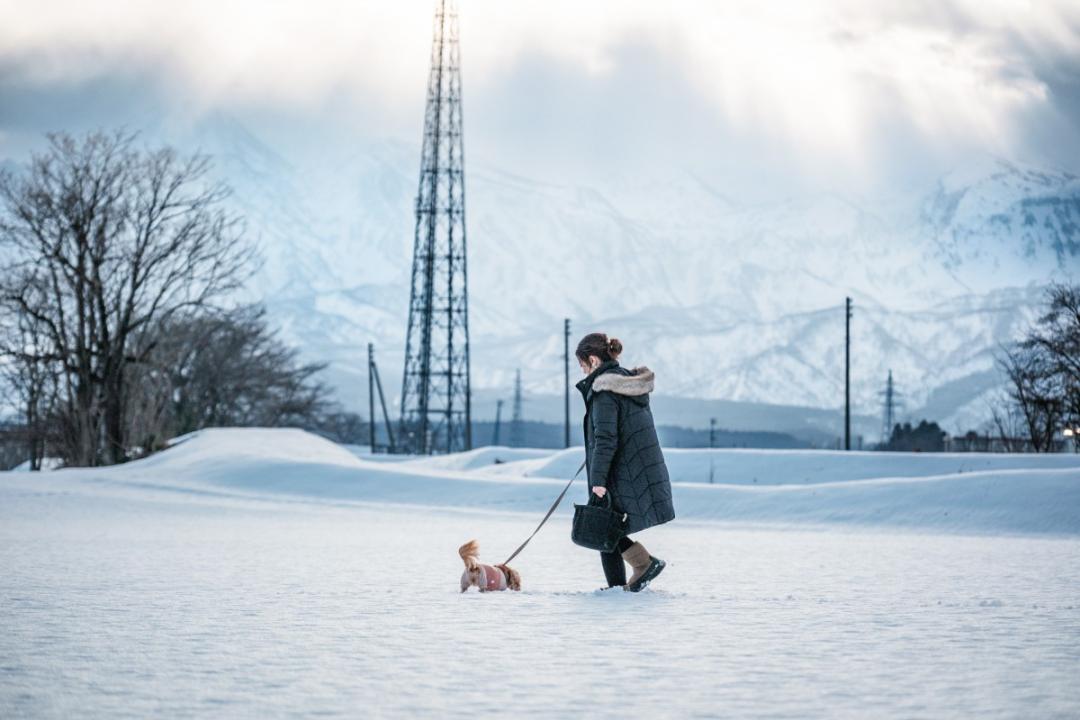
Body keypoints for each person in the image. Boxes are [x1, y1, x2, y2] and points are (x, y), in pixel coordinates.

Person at [574, 332, 675, 592]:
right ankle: (623, 582)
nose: (583, 371)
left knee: (601, 526)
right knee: (605, 527)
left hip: (619, 471)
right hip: (631, 468)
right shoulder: (626, 385)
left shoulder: (606, 391)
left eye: (583, 365)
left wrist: (598, 480)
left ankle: (640, 568)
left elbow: (606, 438)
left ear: (594, 360)